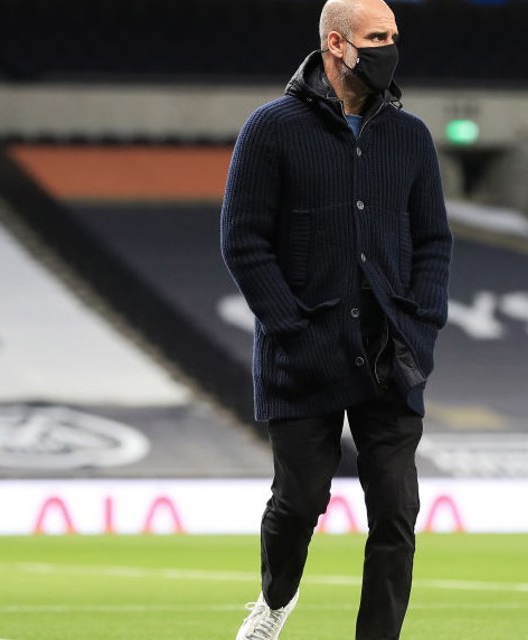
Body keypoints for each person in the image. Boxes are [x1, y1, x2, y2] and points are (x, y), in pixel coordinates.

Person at [219, 0, 452, 638]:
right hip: (303, 356)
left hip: (391, 356)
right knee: (299, 505)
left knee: (397, 512)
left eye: (394, 36)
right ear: (337, 44)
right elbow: (243, 242)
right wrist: (291, 329)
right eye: (377, 36)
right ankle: (273, 604)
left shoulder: (410, 137)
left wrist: (422, 326)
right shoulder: (271, 127)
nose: (390, 47)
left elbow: (433, 242)